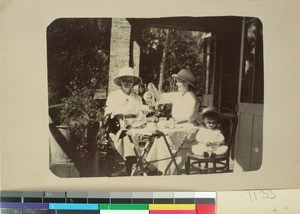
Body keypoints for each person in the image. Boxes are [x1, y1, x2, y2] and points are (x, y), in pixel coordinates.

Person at [146, 69, 200, 174]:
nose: (177, 84)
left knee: (164, 140)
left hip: (189, 130)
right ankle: (151, 166)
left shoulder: (192, 99)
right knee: (159, 138)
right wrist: (153, 90)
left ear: (187, 84)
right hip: (177, 127)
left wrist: (171, 123)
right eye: (178, 81)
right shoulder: (178, 95)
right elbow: (161, 98)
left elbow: (188, 118)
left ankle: (166, 169)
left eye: (180, 81)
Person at [104, 66, 144, 176]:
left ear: (133, 82)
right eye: (125, 80)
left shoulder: (137, 97)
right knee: (117, 146)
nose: (127, 83)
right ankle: (112, 172)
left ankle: (129, 172)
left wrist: (135, 123)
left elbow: (141, 114)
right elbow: (108, 114)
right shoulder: (113, 96)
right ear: (120, 81)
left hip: (132, 126)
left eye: (130, 80)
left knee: (131, 148)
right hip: (116, 127)